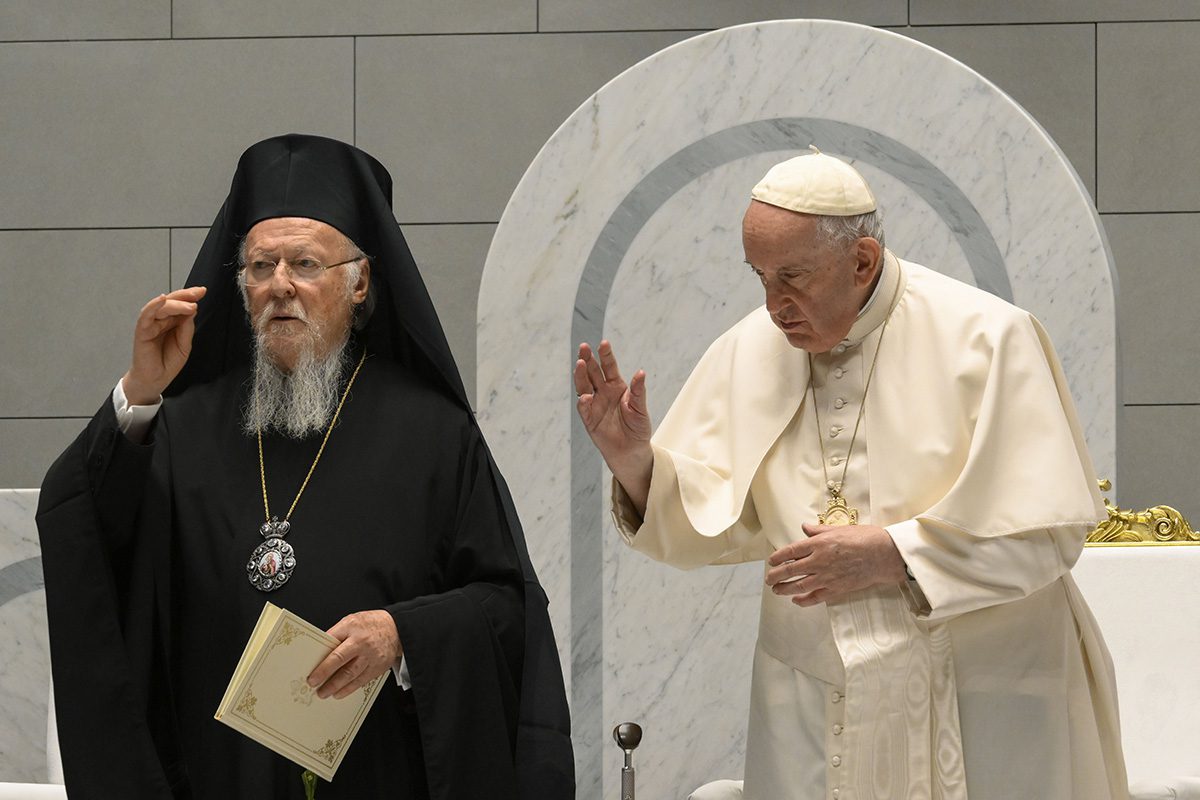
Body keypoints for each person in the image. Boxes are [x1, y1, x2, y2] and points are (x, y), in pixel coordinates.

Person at [574, 148, 1128, 800]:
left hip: (984, 694)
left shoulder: (988, 338)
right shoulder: (750, 349)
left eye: (793, 277)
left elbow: (1049, 536)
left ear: (862, 260)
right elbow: (712, 522)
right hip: (816, 697)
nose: (774, 304)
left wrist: (897, 555)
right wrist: (636, 462)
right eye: (760, 277)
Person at [37, 134, 573, 799]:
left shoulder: (434, 435)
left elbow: (504, 604)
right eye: (260, 266)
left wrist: (403, 635)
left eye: (305, 264)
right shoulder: (178, 425)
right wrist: (140, 392)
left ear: (360, 282)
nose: (279, 285)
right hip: (213, 776)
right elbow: (83, 530)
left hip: (376, 774)